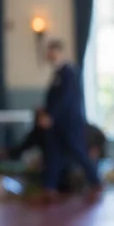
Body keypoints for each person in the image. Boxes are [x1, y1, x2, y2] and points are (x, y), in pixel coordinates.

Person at [41, 39, 102, 194]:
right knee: (54, 155)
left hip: (70, 123)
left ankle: (96, 181)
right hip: (57, 124)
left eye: (53, 52)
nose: (50, 55)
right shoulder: (57, 74)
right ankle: (49, 186)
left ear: (59, 52)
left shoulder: (69, 73)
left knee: (78, 151)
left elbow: (66, 99)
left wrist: (51, 115)